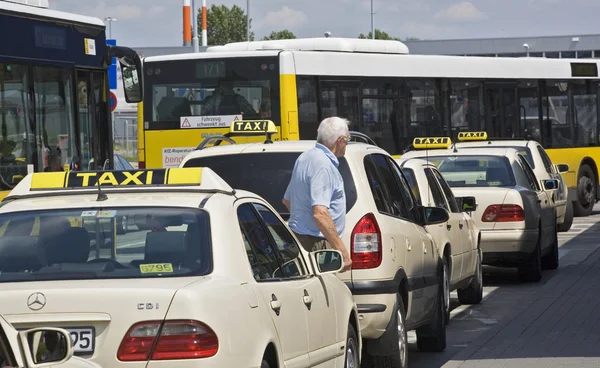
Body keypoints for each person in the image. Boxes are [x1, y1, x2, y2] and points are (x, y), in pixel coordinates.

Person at [282, 116, 352, 272]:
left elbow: (287, 201)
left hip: (301, 239)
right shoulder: (324, 165)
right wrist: (343, 253)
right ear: (339, 140)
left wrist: (303, 224)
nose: (347, 144)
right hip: (318, 244)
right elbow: (320, 214)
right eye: (347, 139)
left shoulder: (305, 157)